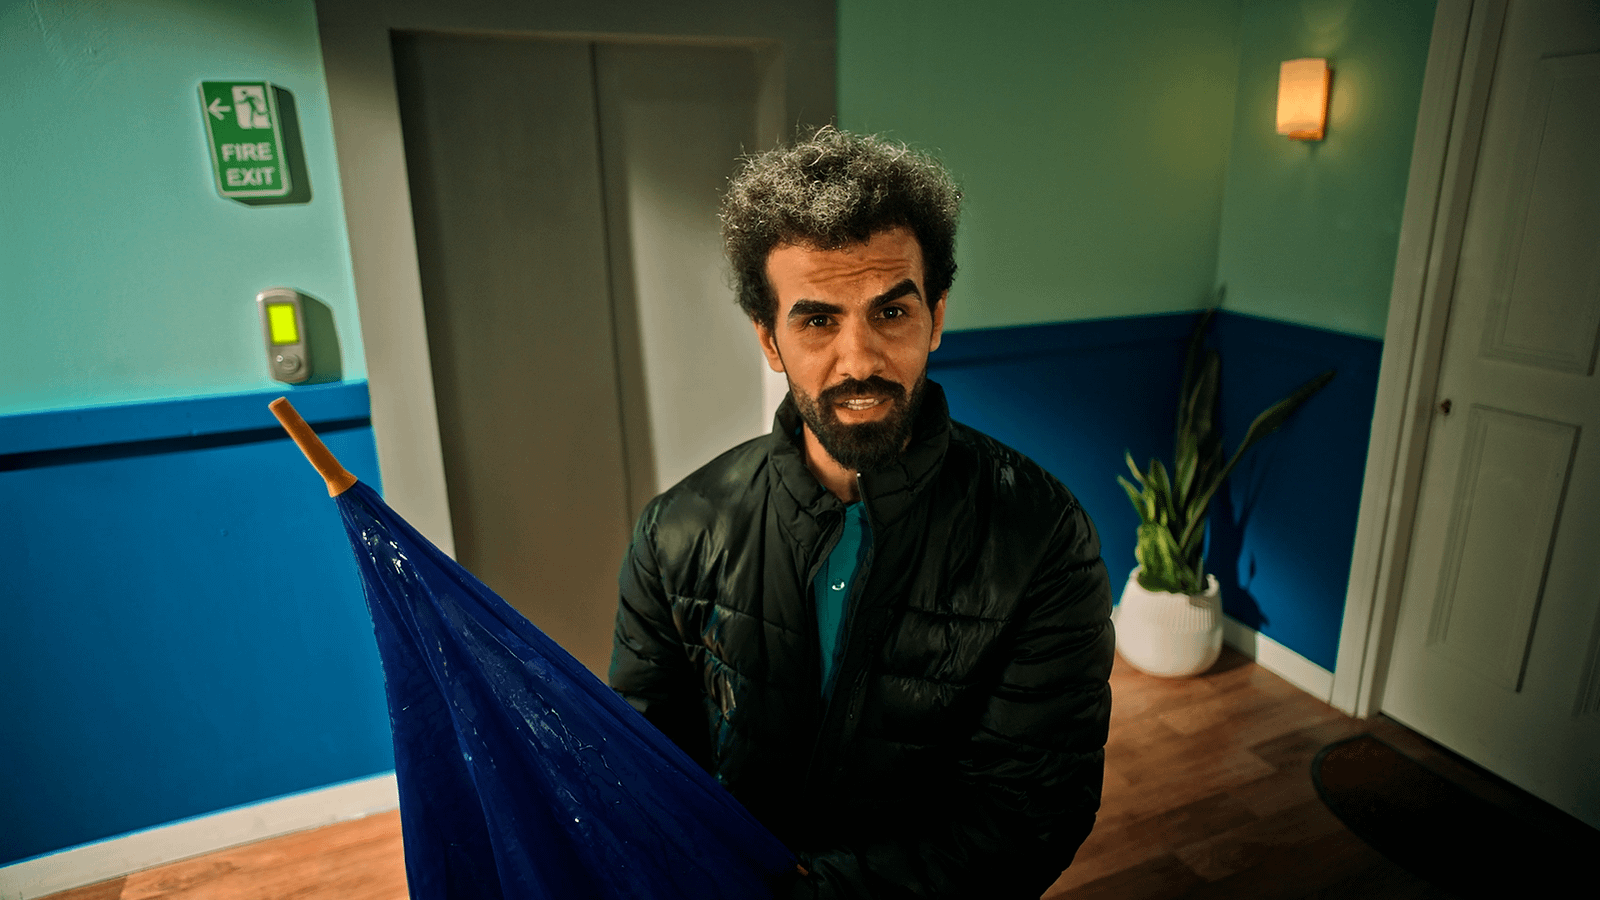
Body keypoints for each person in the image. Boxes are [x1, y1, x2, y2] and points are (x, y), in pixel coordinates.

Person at [609, 127, 1114, 899]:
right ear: (769, 340)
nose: (859, 360)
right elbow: (643, 770)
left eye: (891, 312)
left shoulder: (1042, 537)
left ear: (935, 317)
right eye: (817, 321)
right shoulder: (674, 533)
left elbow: (1029, 815)